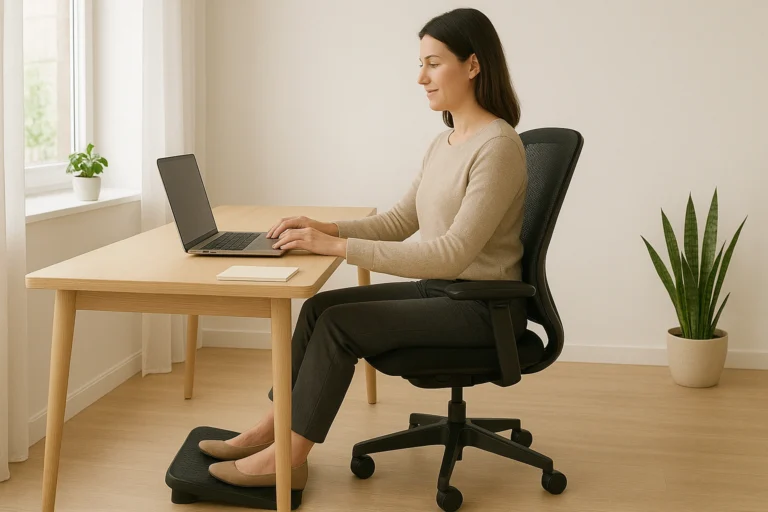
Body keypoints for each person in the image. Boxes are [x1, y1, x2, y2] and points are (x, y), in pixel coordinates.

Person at [201, 7, 529, 490]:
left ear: (473, 65)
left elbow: (452, 254)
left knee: (340, 325)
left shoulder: (497, 146)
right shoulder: (445, 143)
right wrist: (323, 227)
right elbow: (399, 222)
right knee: (319, 309)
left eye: (433, 63)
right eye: (420, 64)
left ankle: (287, 461)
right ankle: (270, 429)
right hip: (446, 293)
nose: (421, 77)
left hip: (482, 308)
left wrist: (337, 246)